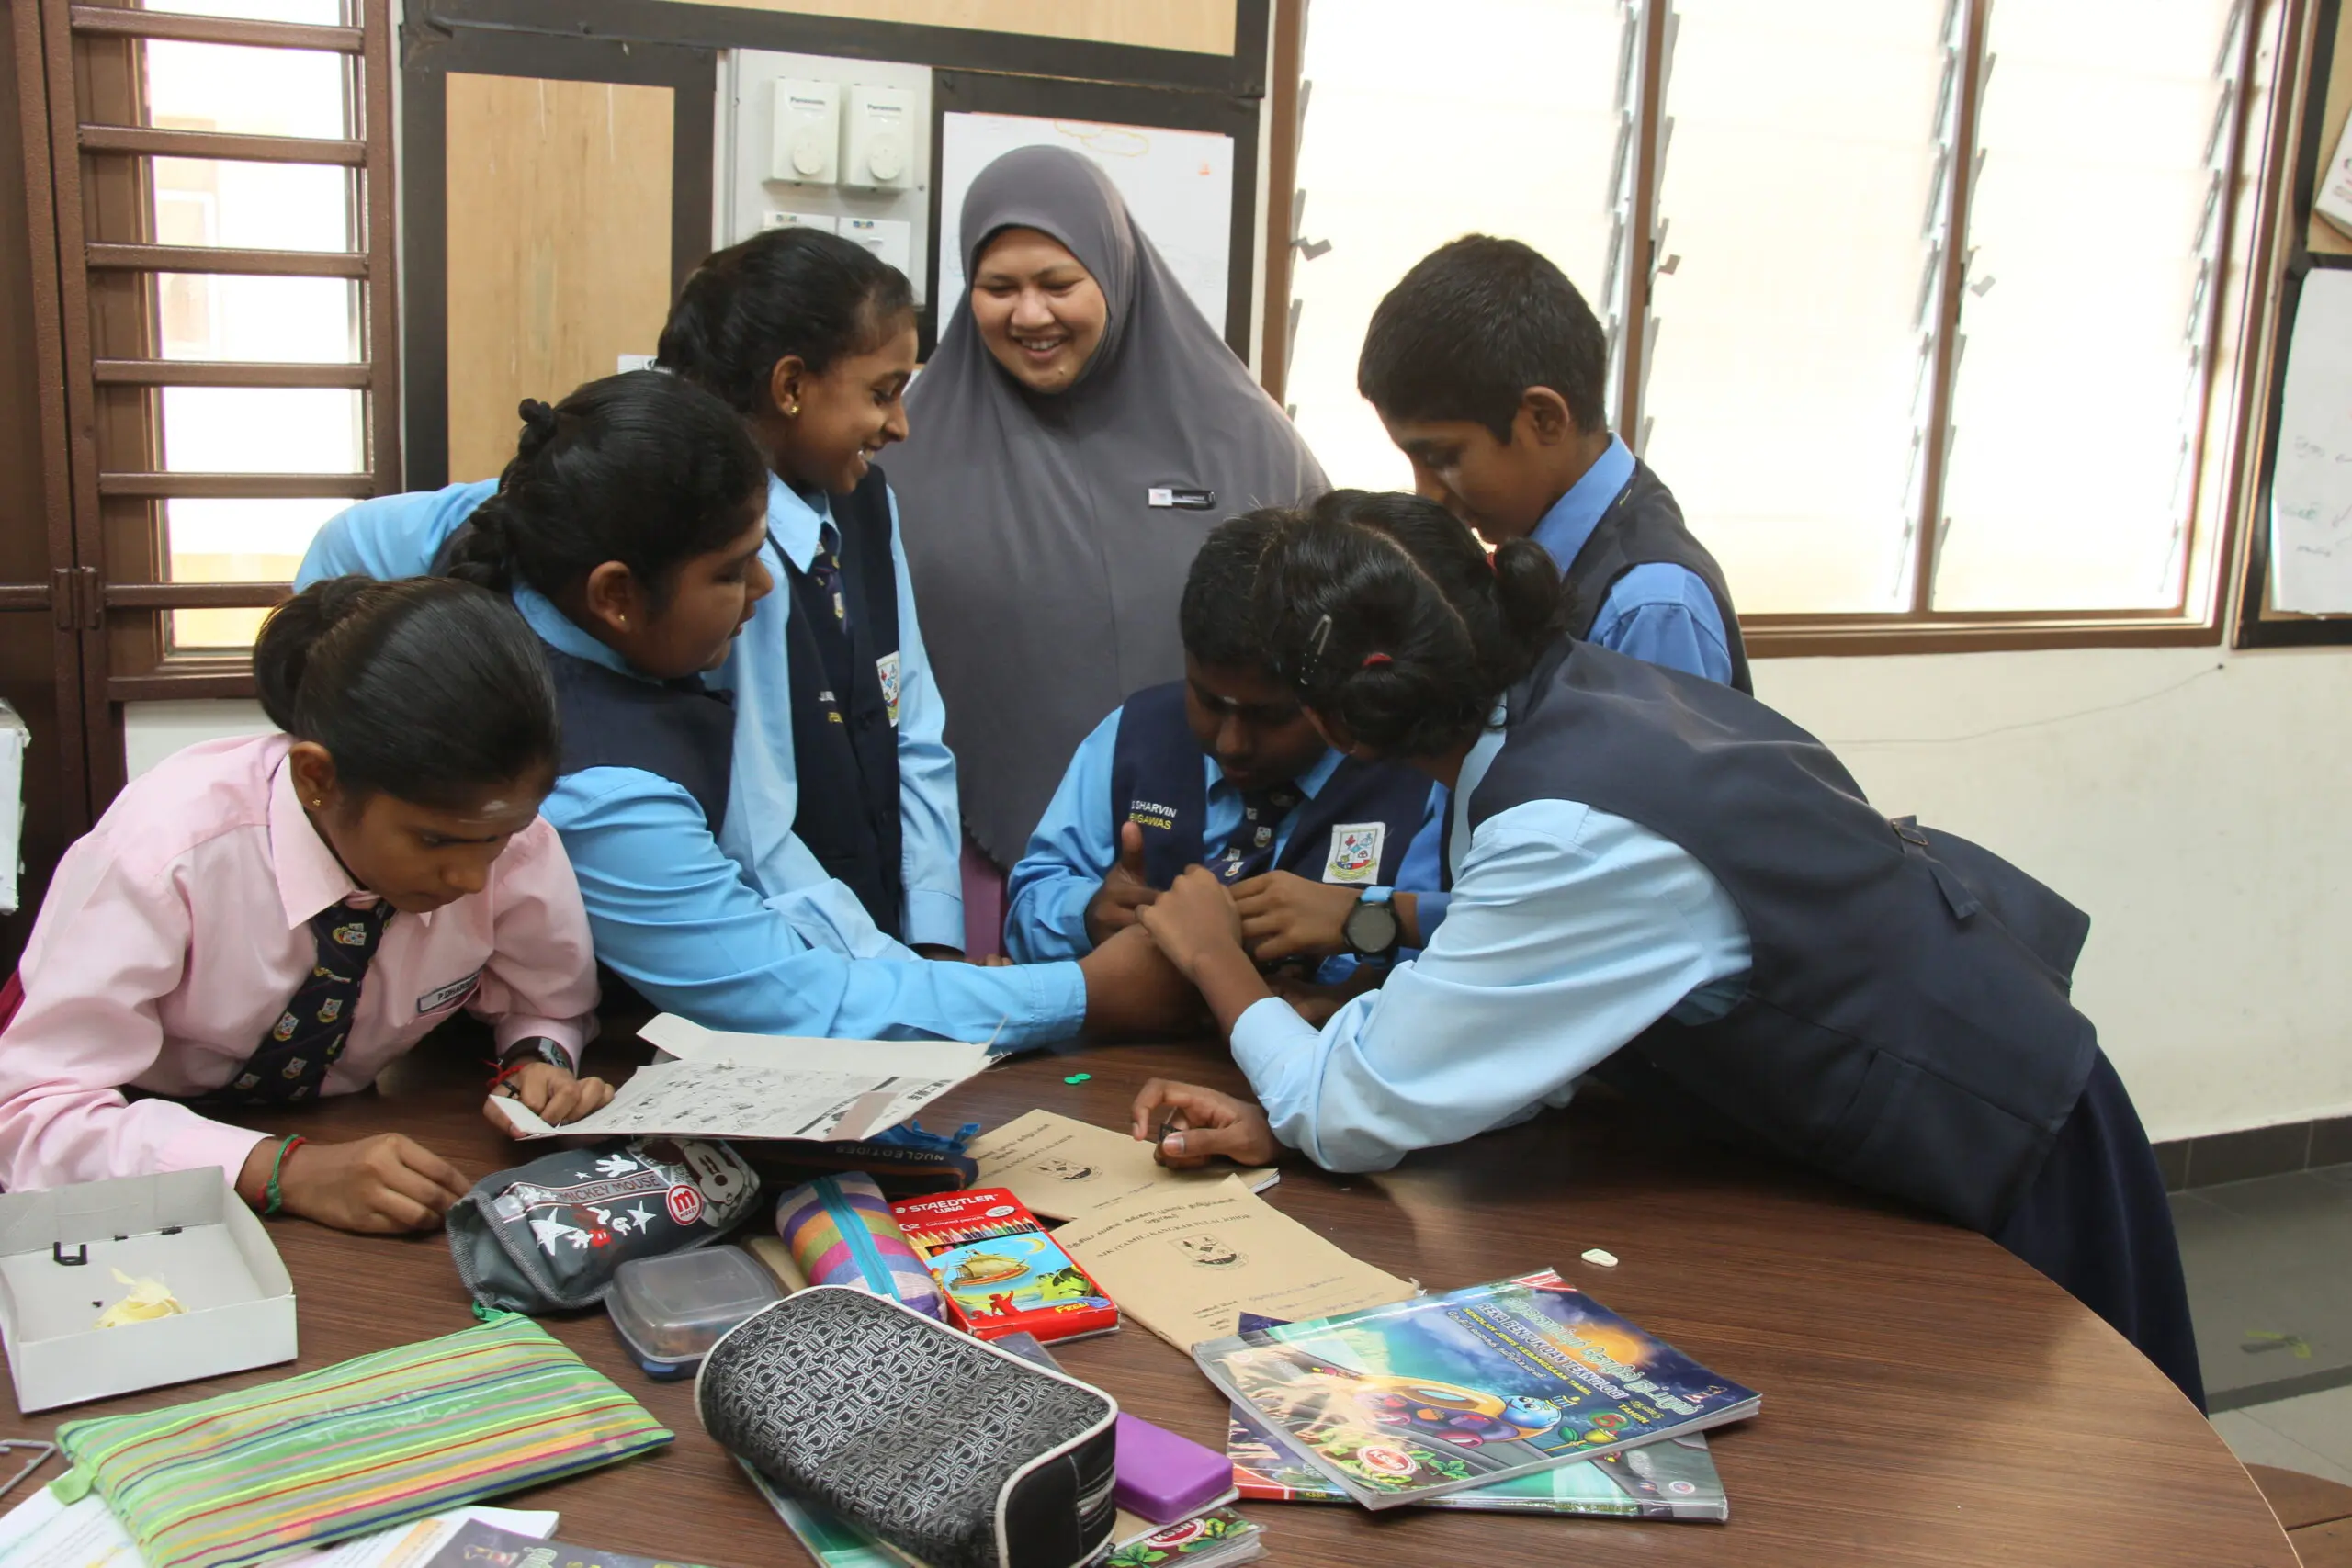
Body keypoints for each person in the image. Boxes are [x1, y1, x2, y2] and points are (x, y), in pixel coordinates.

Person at [1125, 493, 2203, 1409]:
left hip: (2002, 1127)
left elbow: (1358, 1106)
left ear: (1340, 723)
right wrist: (1300, 1103)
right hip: (1936, 1081)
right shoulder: (1556, 705)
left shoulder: (1566, 827)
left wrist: (1219, 963)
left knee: (2095, 1483)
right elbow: (1493, 1012)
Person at [441, 370, 1193, 1046]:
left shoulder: (547, 555)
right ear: (615, 596)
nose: (767, 593)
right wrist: (1089, 993)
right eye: (733, 572)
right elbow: (790, 999)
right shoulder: (601, 787)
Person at [298, 227, 959, 962]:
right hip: (772, 936)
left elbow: (913, 717)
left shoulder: (864, 504)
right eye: (882, 393)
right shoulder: (705, 558)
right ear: (791, 386)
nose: (900, 424)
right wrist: (344, 694)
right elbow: (757, 827)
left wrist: (933, 932)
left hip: (856, 933)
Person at [0, 577, 611, 1233]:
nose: (470, 875)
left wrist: (537, 1060)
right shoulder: (166, 852)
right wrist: (284, 1170)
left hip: (352, 1129)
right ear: (316, 778)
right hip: (138, 1158)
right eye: (435, 839)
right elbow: (31, 1114)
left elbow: (545, 1002)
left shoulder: (513, 845)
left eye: (500, 836)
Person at [893, 144, 1328, 878]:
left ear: (1116, 270)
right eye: (998, 287)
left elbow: (1329, 623)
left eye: (1057, 283)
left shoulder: (1243, 435)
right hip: (968, 854)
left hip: (1229, 845)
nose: (1030, 314)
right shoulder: (903, 451)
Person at [1003, 510, 1442, 987]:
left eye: (1270, 715)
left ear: (1334, 686)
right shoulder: (1133, 732)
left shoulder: (1417, 770)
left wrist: (1345, 947)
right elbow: (1031, 900)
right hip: (1124, 1056)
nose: (1232, 743)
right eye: (1210, 702)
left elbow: (1454, 953)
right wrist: (1085, 916)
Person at [1358, 234, 1750, 693]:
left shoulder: (1648, 607)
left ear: (1544, 419)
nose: (1428, 494)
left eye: (1444, 458)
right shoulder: (1528, 555)